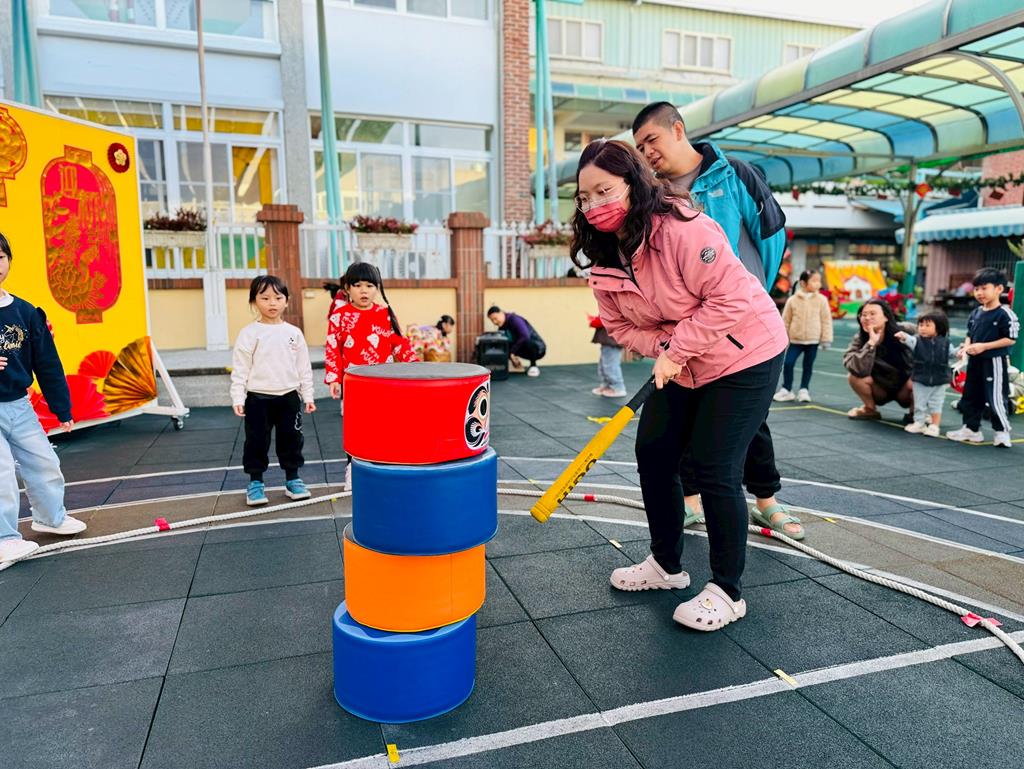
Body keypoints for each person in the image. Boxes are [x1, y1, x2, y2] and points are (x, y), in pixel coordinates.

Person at [573, 139, 786, 631]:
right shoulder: (604, 255)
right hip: (683, 360)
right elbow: (619, 327)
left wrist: (675, 348)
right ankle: (666, 565)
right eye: (584, 197)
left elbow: (730, 299)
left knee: (714, 465)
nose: (594, 204)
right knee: (654, 452)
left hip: (746, 353)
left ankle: (727, 591)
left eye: (604, 190)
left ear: (633, 183)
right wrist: (668, 347)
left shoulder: (683, 228)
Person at [632, 101, 801, 539]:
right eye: (640, 147)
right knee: (690, 414)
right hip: (688, 330)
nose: (647, 152)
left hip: (740, 323)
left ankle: (766, 499)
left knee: (750, 419)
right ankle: (691, 500)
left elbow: (771, 236)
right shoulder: (653, 193)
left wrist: (750, 294)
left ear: (678, 129)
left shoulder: (733, 174)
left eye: (651, 140)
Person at [0, 231, 86, 563]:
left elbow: (47, 363)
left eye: (0, 257)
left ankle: (50, 517)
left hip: (19, 406)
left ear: (9, 261)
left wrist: (62, 408)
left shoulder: (26, 312)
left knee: (44, 461)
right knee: (2, 474)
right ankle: (4, 537)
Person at [325, 262, 418, 488]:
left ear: (377, 288)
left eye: (369, 285)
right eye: (357, 285)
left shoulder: (384, 313)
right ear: (347, 288)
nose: (363, 291)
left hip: (384, 382)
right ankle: (353, 469)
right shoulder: (339, 316)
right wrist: (334, 378)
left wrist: (415, 366)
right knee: (356, 429)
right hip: (354, 384)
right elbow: (333, 348)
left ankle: (383, 468)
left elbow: (398, 342)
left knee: (385, 426)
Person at [231, 275, 316, 507]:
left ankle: (293, 479)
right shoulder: (249, 333)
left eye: (278, 298)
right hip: (258, 398)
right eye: (265, 298)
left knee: (292, 440)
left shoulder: (294, 333)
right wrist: (238, 396)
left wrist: (307, 394)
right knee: (256, 441)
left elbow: (303, 367)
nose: (272, 303)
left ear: (287, 301)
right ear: (254, 301)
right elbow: (241, 368)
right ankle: (255, 483)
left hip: (289, 397)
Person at [947, 268, 1019, 447]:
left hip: (994, 362)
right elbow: (969, 334)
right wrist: (965, 348)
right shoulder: (975, 313)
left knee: (995, 397)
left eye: (984, 288)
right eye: (976, 289)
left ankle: (1002, 432)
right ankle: (971, 429)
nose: (979, 292)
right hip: (975, 362)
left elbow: (1010, 339)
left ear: (999, 289)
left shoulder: (1005, 314)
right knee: (970, 395)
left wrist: (984, 346)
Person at [843, 298, 914, 421]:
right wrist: (871, 344)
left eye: (872, 314)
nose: (867, 318)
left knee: (920, 378)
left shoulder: (906, 330)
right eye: (864, 315)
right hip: (879, 389)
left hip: (906, 389)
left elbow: (933, 338)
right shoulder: (860, 338)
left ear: (886, 317)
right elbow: (855, 368)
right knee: (853, 376)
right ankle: (870, 409)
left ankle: (916, 413)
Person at [895, 310, 956, 438]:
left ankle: (934, 426)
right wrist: (903, 336)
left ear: (939, 328)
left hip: (940, 379)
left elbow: (952, 354)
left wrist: (960, 351)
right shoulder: (917, 341)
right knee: (919, 402)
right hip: (920, 377)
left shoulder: (946, 343)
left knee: (936, 403)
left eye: (927, 325)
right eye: (921, 325)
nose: (922, 328)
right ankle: (919, 423)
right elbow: (909, 340)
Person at [775, 270, 833, 403]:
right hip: (796, 340)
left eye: (819, 281)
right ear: (803, 283)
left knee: (808, 366)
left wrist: (826, 339)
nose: (818, 284)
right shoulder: (792, 300)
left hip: (813, 340)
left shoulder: (822, 300)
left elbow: (826, 320)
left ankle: (804, 389)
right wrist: (782, 338)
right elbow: (786, 320)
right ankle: (786, 389)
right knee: (788, 363)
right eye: (814, 280)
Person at [487, 306, 546, 377]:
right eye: (492, 320)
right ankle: (512, 366)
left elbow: (524, 336)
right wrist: (511, 356)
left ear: (501, 313)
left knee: (526, 341)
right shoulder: (501, 328)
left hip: (538, 349)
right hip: (523, 348)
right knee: (503, 345)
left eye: (495, 318)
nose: (494, 322)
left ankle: (533, 366)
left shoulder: (514, 319)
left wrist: (512, 352)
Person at [590, 315, 626, 398]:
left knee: (610, 366)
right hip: (607, 341)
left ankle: (618, 388)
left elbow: (611, 318)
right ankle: (607, 385)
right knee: (603, 366)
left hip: (612, 341)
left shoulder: (616, 310)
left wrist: (599, 320)